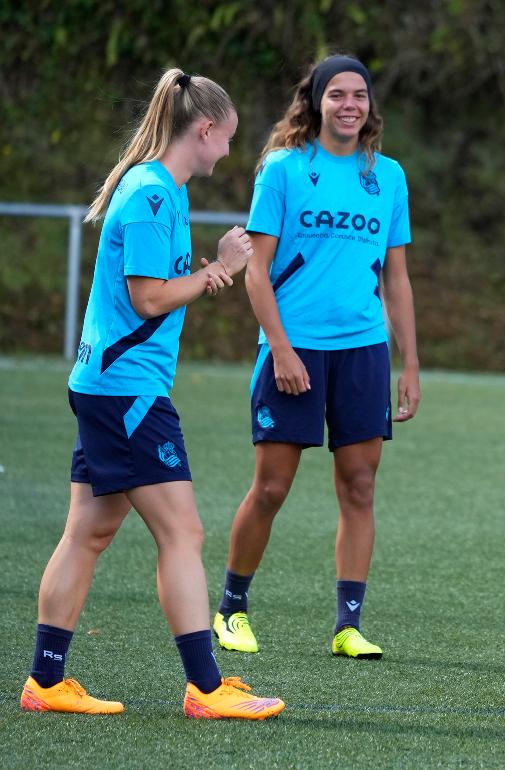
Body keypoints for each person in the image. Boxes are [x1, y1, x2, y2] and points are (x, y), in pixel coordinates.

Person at [21, 69, 285, 719]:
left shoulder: (160, 190)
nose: (228, 151)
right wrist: (220, 270)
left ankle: (46, 682)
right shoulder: (152, 196)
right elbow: (147, 298)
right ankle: (205, 686)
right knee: (183, 531)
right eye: (226, 139)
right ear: (203, 131)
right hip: (126, 391)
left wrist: (209, 269)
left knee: (89, 530)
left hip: (110, 386)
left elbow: (150, 291)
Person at [212, 54, 419, 661]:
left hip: (362, 352)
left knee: (359, 486)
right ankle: (231, 609)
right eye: (337, 95)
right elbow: (257, 271)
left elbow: (399, 280)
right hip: (294, 349)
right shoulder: (283, 170)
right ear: (316, 102)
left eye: (359, 96)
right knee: (272, 488)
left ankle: (348, 626)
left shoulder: (389, 177)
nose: (349, 105)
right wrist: (280, 348)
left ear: (370, 106)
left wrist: (408, 363)